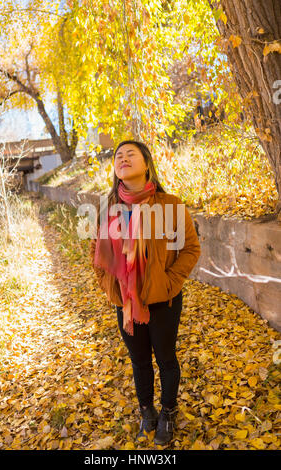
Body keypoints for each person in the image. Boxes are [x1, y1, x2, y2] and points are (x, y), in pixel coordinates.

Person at [89, 140, 201, 446]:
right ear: (115, 169)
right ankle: (147, 412)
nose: (122, 159)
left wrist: (170, 282)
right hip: (126, 303)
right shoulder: (109, 210)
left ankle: (167, 412)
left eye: (130, 154)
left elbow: (190, 249)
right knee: (139, 360)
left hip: (163, 300)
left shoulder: (171, 205)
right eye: (118, 156)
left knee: (165, 358)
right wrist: (110, 287)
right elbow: (96, 256)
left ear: (147, 164)